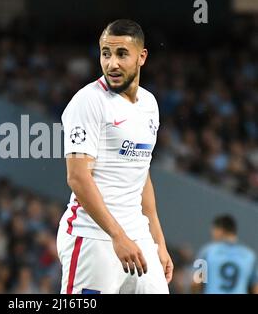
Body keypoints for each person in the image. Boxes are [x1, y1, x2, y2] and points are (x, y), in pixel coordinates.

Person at [56, 19, 173, 294]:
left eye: (122, 54)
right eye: (105, 54)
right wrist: (117, 236)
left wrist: (157, 240)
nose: (112, 64)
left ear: (141, 57)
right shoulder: (88, 102)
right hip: (92, 237)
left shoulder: (150, 105)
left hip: (138, 237)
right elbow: (77, 177)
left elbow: (141, 173)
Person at [192, 214, 258, 294]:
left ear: (219, 230)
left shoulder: (207, 251)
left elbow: (195, 283)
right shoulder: (250, 256)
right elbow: (255, 288)